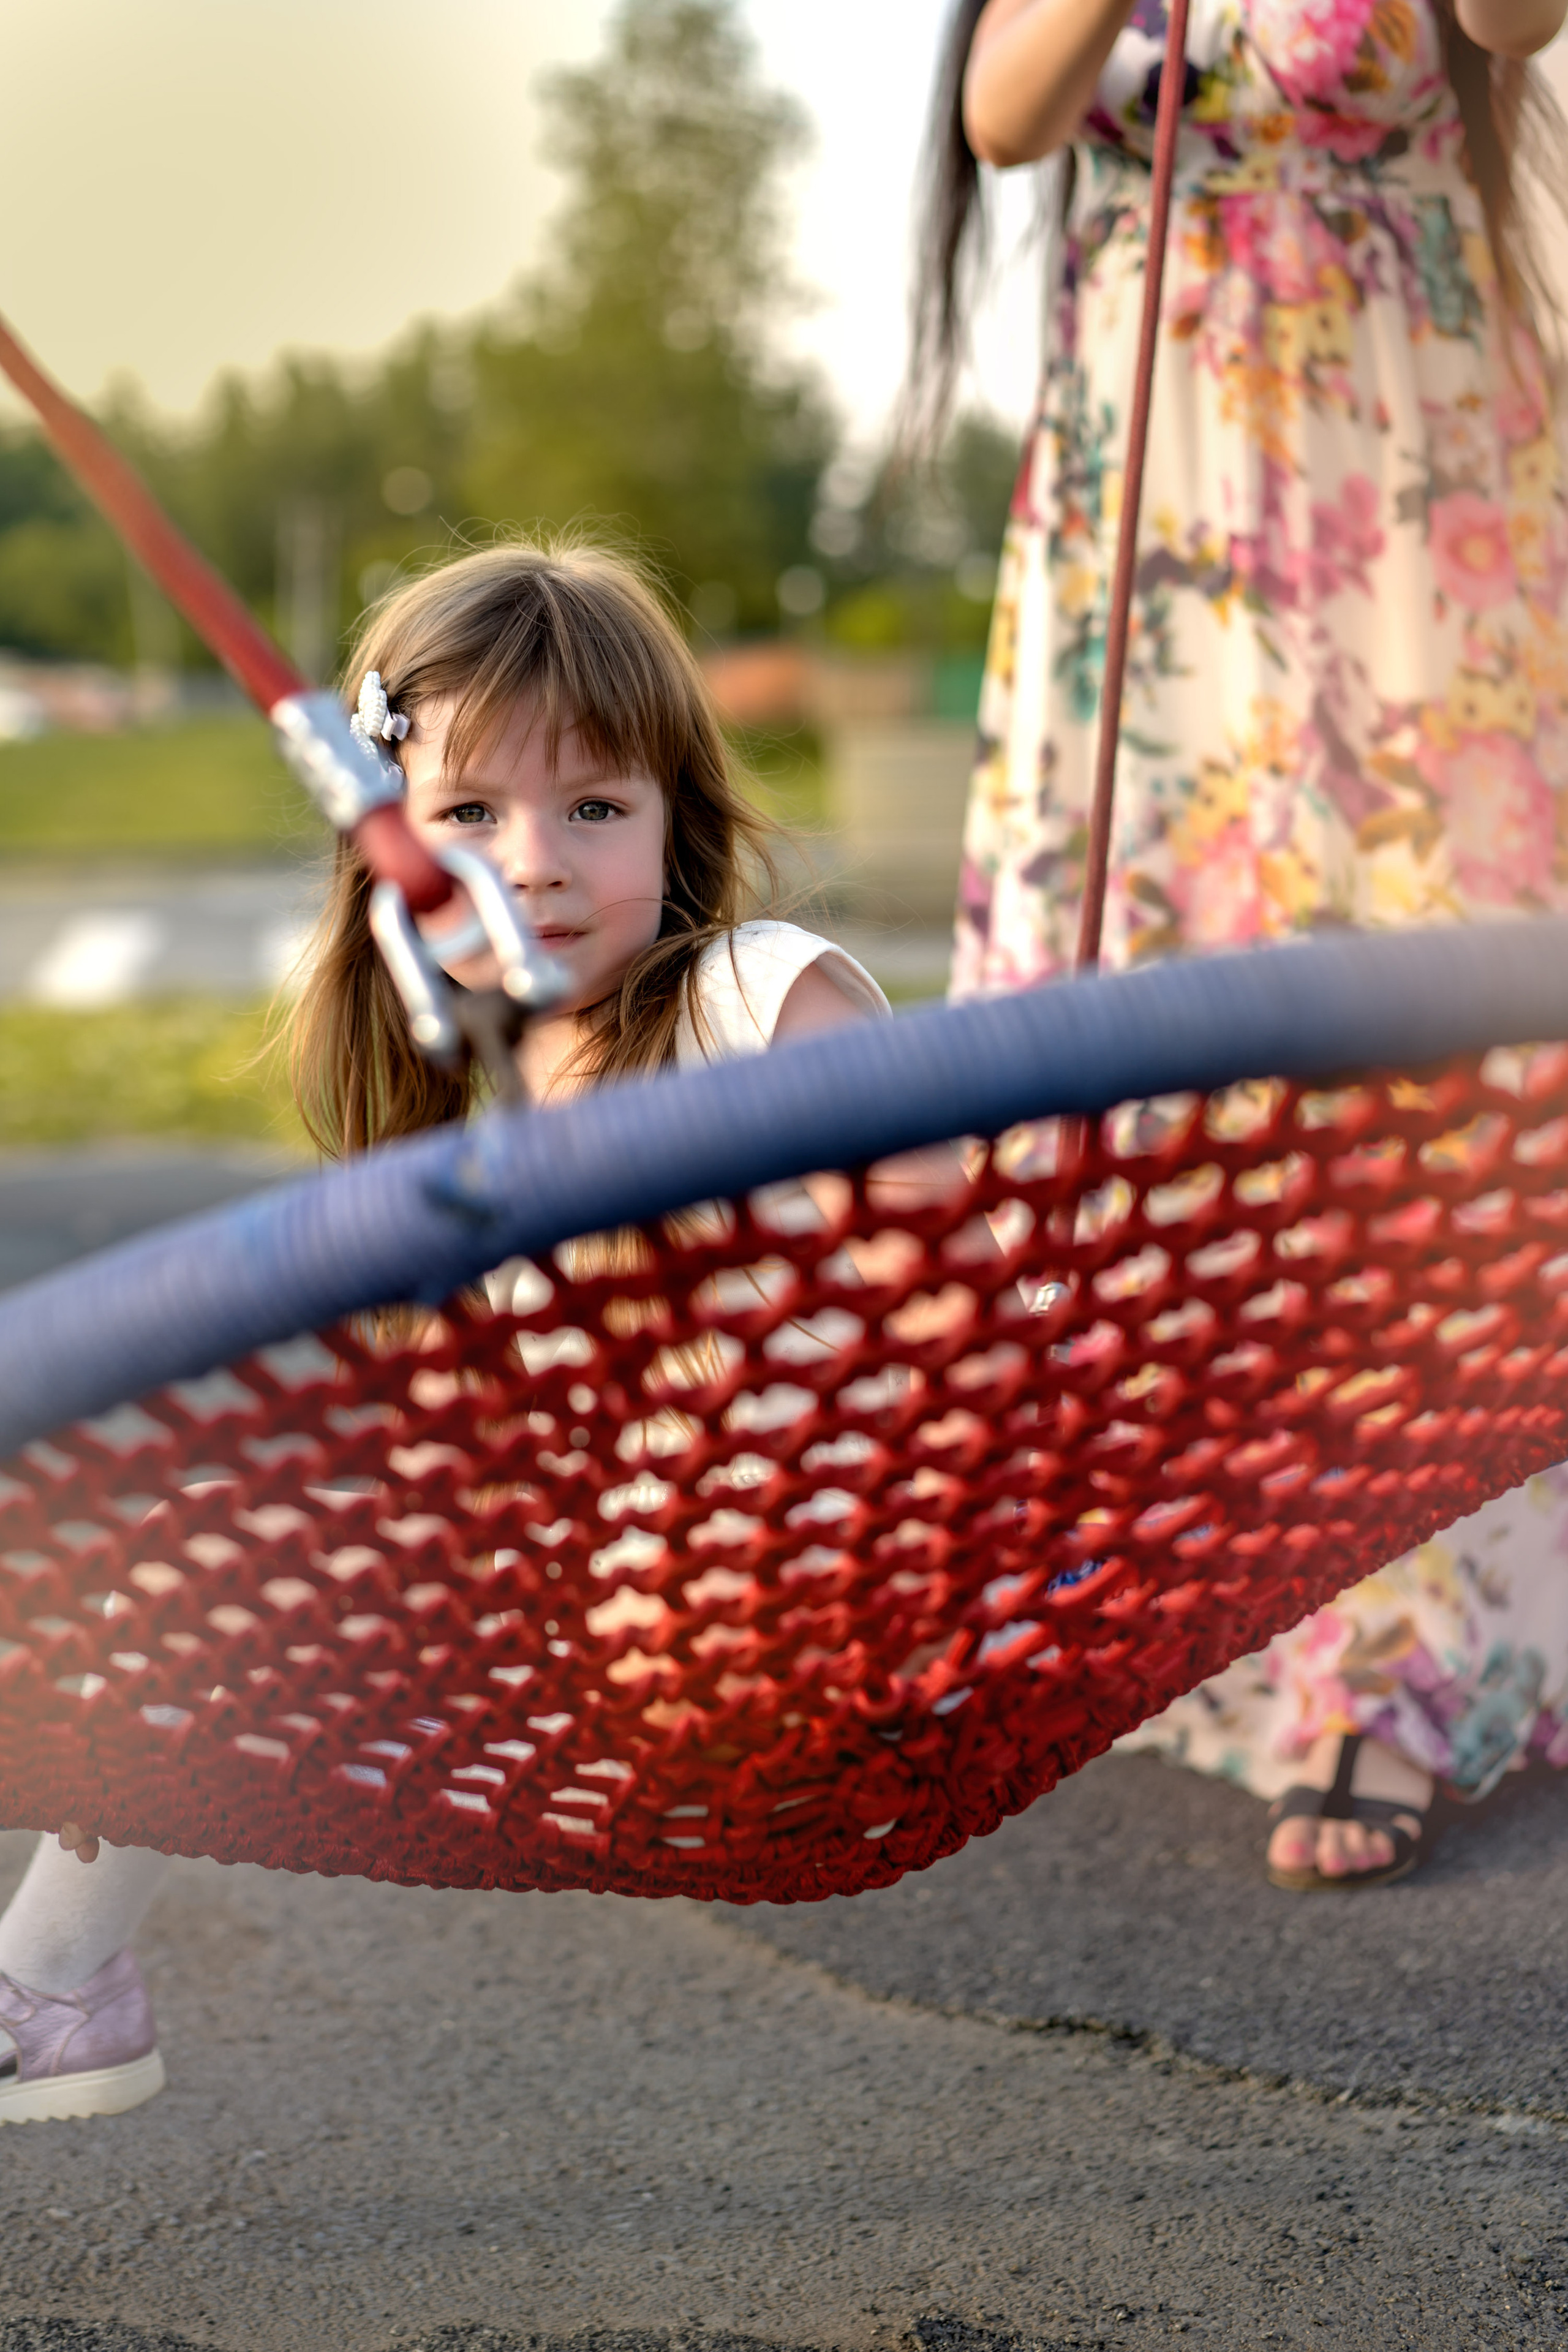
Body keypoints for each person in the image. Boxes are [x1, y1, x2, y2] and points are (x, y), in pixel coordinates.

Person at [0, 538, 892, 2122]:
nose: (534, 861)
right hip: (596, 1638)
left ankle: (49, 1981)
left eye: (595, 808)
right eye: (470, 814)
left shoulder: (752, 999)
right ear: (390, 857)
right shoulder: (470, 1141)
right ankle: (58, 1984)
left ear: (679, 825)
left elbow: (953, 1267)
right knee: (152, 1577)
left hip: (827, 1590)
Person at [922, 0, 1568, 1888]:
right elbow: (1003, 116)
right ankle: (1165, 1599)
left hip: (1407, 523)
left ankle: (1400, 1660)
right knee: (1150, 1062)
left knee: (1420, 1077)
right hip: (1157, 533)